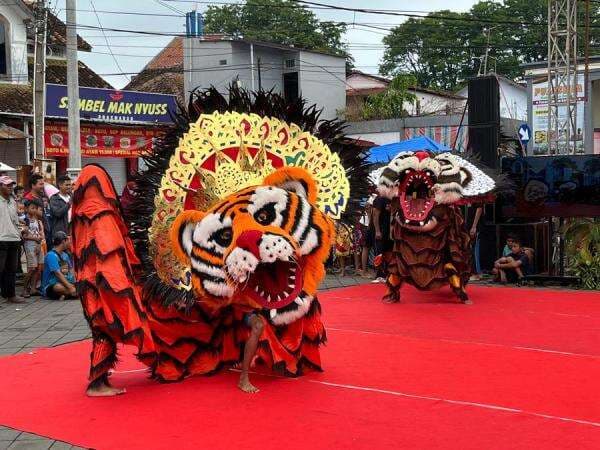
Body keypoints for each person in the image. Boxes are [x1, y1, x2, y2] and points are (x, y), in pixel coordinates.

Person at [0, 175, 24, 303]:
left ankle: (10, 295)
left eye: (11, 185)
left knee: (11, 269)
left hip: (14, 238)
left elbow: (14, 220)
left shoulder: (13, 201)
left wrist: (20, 231)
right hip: (1, 238)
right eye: (7, 185)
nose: (10, 187)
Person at [41, 231, 77, 300]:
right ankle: (73, 293)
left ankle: (67, 294)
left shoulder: (65, 255)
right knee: (58, 287)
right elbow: (57, 273)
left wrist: (74, 283)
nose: (69, 243)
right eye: (68, 240)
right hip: (51, 285)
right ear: (63, 241)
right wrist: (70, 287)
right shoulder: (51, 255)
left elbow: (71, 270)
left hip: (66, 282)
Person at [21, 199, 45, 298]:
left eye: (36, 208)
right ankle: (24, 289)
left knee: (37, 268)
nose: (34, 210)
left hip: (38, 245)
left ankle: (33, 288)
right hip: (30, 245)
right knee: (31, 268)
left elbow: (41, 233)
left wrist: (40, 238)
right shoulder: (25, 221)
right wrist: (36, 238)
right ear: (26, 209)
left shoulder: (37, 221)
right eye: (32, 208)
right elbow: (24, 236)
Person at [371, 194, 393, 283]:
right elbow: (375, 215)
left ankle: (387, 273)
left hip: (388, 230)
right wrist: (377, 230)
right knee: (379, 252)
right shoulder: (380, 199)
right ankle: (379, 274)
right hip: (381, 229)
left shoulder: (391, 198)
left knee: (388, 252)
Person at [466, 204, 483, 280]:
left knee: (475, 251)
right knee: (471, 250)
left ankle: (477, 274)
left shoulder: (476, 198)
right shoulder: (468, 199)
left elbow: (479, 209)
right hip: (470, 227)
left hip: (474, 228)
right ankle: (475, 272)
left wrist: (474, 226)